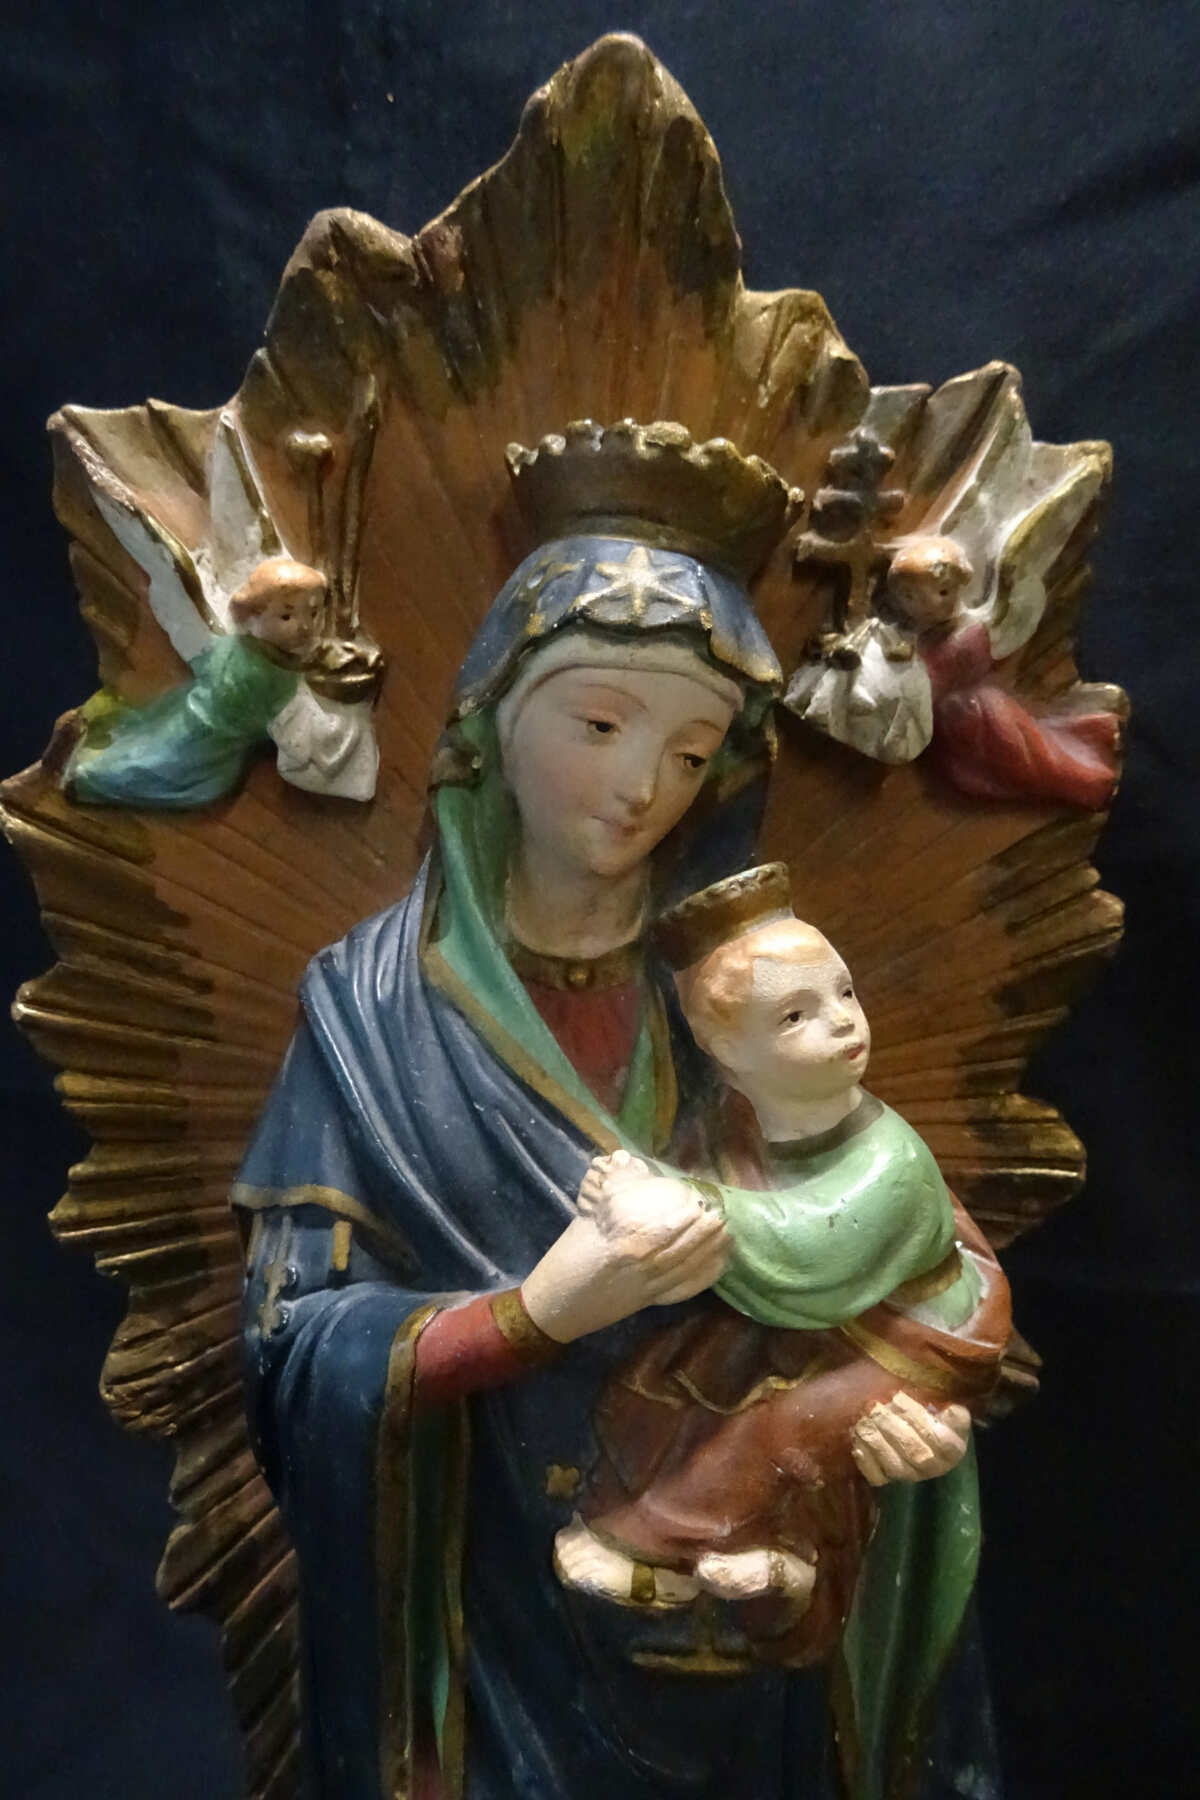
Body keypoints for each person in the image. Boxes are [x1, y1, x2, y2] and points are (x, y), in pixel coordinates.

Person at [234, 425, 986, 1800]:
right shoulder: (371, 1012)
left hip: (744, 1603)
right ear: (489, 720)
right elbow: (291, 1353)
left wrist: (911, 1404)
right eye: (599, 725)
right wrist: (535, 1316)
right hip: (483, 1612)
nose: (644, 785)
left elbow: (919, 1242)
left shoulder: (747, 994)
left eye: (692, 751)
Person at [552, 867, 1011, 1671]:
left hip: (917, 1338)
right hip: (824, 1324)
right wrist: (639, 1188)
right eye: (798, 1014)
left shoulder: (893, 1159)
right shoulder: (734, 1121)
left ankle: (680, 1545)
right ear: (728, 1050)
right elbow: (703, 1194)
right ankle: (744, 1550)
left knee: (785, 1424)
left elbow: (807, 1251)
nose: (843, 1021)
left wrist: (667, 1198)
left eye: (844, 992)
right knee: (670, 1375)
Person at [885, 536, 1123, 808]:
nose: (923, 605)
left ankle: (1091, 783)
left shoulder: (970, 634)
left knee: (1033, 762)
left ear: (956, 588)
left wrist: (907, 667)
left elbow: (940, 676)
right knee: (997, 773)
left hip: (982, 717)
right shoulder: (926, 635)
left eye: (941, 592)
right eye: (909, 597)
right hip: (955, 728)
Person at [66, 557, 325, 806]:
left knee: (147, 758)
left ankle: (87, 774)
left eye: (313, 614)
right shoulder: (245, 660)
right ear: (253, 614)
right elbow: (273, 724)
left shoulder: (280, 665)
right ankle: (84, 781)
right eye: (286, 617)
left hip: (218, 751)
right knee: (149, 766)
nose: (305, 627)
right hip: (197, 739)